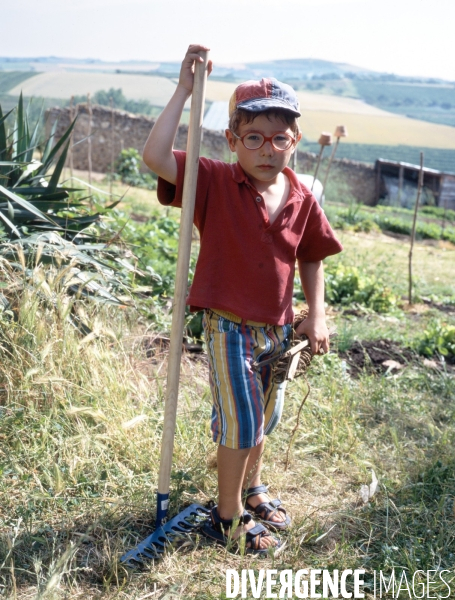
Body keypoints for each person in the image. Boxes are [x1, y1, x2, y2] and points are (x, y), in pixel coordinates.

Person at [143, 44, 343, 554]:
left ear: (294, 141)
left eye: (279, 138)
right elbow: (155, 157)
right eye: (253, 137)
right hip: (226, 324)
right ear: (233, 141)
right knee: (242, 419)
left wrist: (314, 313)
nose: (266, 148)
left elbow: (311, 258)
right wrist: (185, 89)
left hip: (274, 327)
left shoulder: (301, 197)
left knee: (264, 416)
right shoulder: (211, 180)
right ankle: (226, 515)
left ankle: (250, 488)